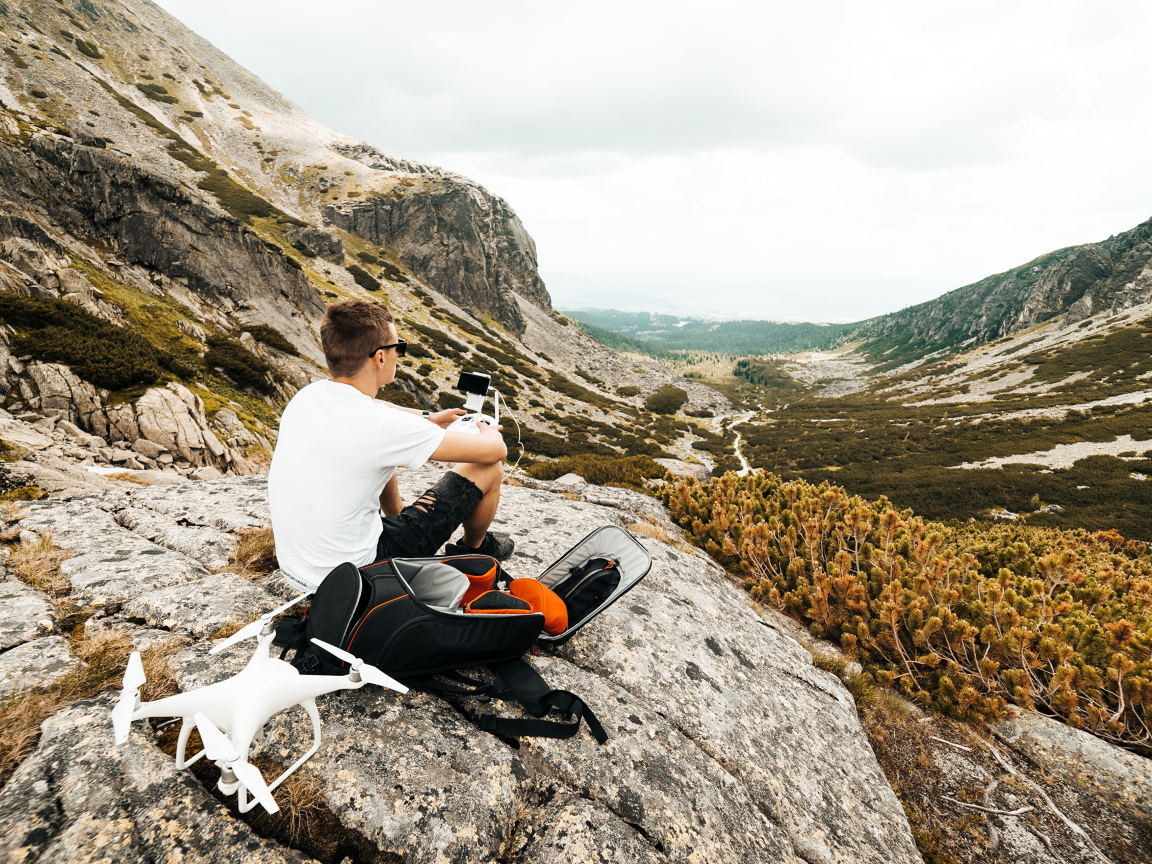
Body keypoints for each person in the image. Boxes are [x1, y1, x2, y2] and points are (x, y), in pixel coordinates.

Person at [268, 300, 512, 592]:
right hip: (361, 576)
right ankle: (474, 549)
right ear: (380, 358)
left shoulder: (308, 396)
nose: (399, 354)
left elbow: (377, 408)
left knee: (380, 457)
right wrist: (488, 430)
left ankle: (397, 516)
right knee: (488, 468)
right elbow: (495, 451)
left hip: (300, 571)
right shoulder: (381, 425)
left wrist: (429, 417)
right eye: (399, 347)